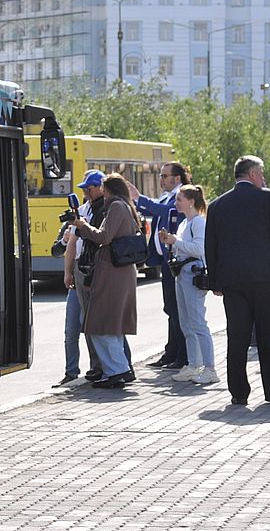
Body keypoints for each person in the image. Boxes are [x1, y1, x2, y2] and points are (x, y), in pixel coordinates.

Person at [204, 155, 270, 406]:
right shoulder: (267, 199)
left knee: (237, 337)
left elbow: (211, 246)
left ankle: (239, 392)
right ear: (252, 174)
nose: (263, 179)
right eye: (261, 174)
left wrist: (215, 282)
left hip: (232, 282)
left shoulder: (218, 204)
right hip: (266, 279)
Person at [72, 173, 141, 388]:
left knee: (101, 324)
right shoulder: (124, 206)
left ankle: (116, 370)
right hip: (117, 271)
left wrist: (83, 226)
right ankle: (118, 369)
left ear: (108, 189)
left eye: (102, 187)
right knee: (109, 324)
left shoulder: (116, 207)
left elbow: (104, 237)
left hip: (112, 272)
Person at [129, 162, 189, 371]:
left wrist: (138, 198)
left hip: (177, 261)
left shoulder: (181, 196)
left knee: (178, 310)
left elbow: (166, 210)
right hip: (166, 261)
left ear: (177, 178)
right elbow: (156, 207)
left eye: (165, 176)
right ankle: (172, 352)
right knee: (170, 309)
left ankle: (182, 355)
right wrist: (137, 201)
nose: (161, 179)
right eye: (161, 176)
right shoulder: (168, 195)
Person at [161, 185, 216, 385]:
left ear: (191, 201)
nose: (176, 203)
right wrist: (171, 241)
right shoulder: (186, 222)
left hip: (192, 274)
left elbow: (199, 249)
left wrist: (176, 241)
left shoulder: (198, 222)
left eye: (179, 199)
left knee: (198, 322)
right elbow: (183, 247)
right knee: (186, 322)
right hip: (182, 274)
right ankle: (194, 364)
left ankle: (209, 367)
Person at [56, 193, 95, 386]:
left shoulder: (97, 213)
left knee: (92, 326)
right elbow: (56, 250)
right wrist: (64, 240)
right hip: (74, 281)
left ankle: (98, 367)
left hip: (91, 277)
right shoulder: (74, 217)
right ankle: (71, 372)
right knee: (70, 330)